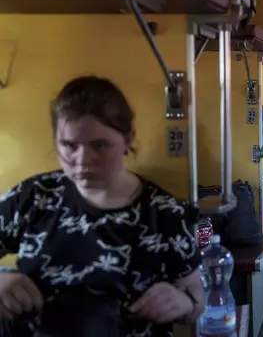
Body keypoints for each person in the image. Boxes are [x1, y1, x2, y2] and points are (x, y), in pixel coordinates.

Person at [0, 76, 204, 336]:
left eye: (100, 145)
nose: (82, 159)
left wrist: (184, 302)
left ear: (129, 139)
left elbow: (198, 296)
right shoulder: (32, 198)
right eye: (69, 145)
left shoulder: (168, 213)